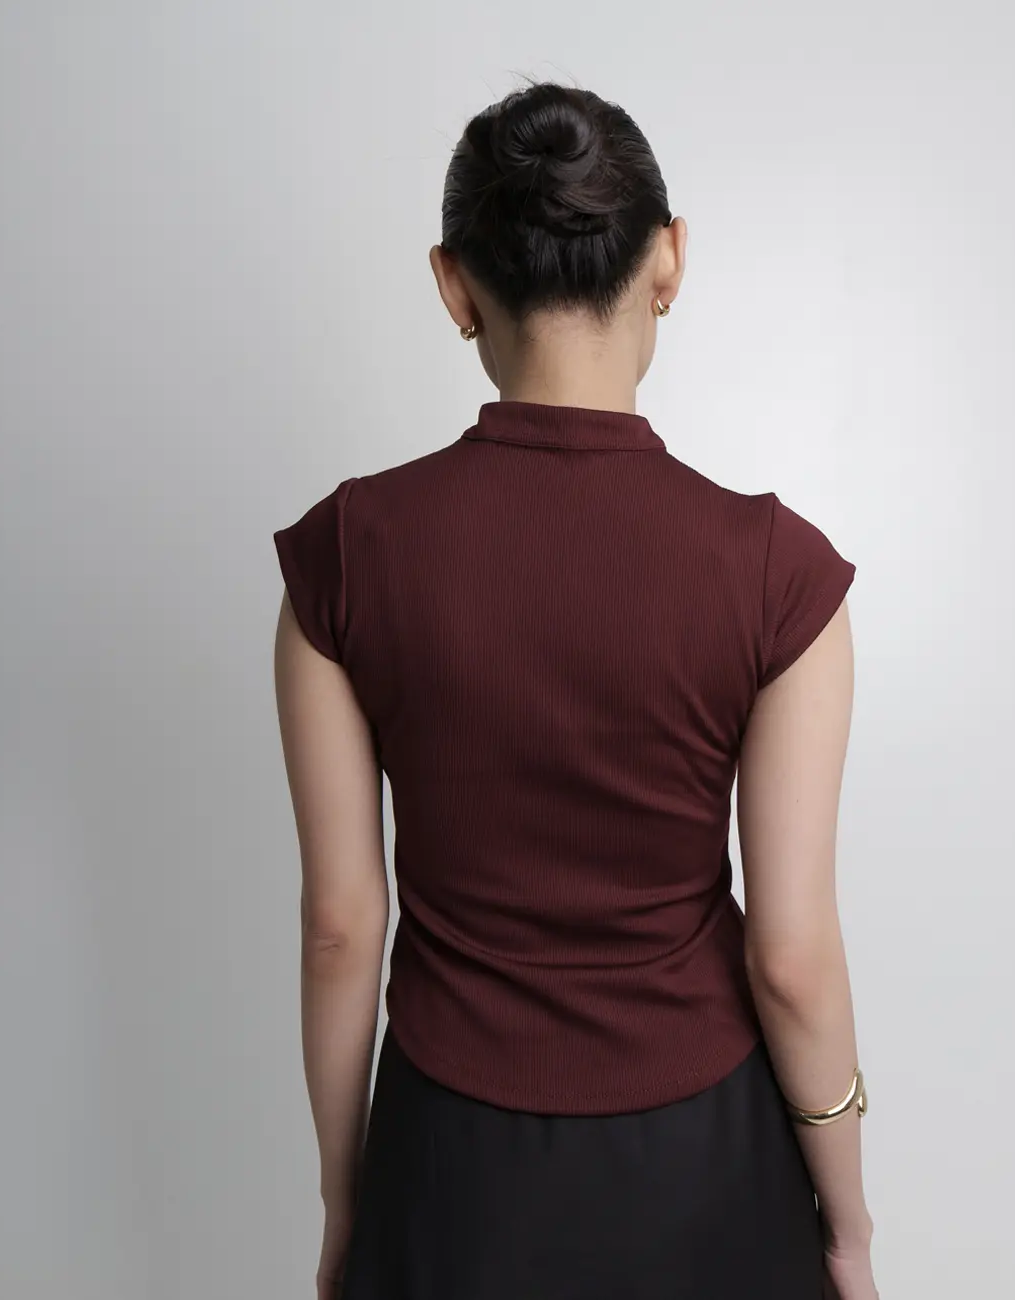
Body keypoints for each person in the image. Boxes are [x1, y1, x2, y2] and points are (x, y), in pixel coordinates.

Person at [272, 79, 877, 1300]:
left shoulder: (345, 554)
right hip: (705, 1162)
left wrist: (347, 1199)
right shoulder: (779, 576)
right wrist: (849, 1227)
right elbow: (791, 956)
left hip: (447, 1163)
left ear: (454, 285)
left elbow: (341, 924)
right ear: (669, 260)